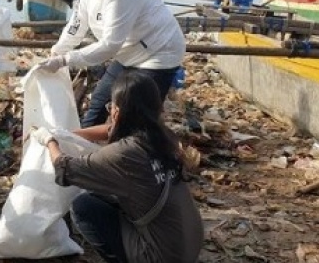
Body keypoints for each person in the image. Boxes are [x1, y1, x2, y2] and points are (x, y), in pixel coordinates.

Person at [34, 70, 204, 263]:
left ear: (116, 112)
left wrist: (49, 140)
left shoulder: (125, 154)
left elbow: (64, 169)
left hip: (161, 256)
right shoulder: (164, 137)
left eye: (111, 108)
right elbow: (110, 130)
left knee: (84, 205)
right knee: (103, 194)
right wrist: (70, 135)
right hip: (188, 245)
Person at [39, 0, 186, 127]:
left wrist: (66, 60)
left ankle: (140, 151)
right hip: (130, 50)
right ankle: (84, 146)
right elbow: (76, 24)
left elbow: (110, 44)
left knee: (137, 114)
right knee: (100, 101)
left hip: (158, 52)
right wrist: (58, 50)